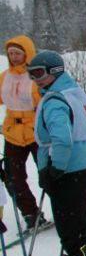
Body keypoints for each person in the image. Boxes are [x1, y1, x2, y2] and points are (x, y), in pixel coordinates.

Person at [27, 51, 86, 256]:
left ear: (55, 71)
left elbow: (62, 138)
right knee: (85, 227)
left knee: (73, 237)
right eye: (31, 74)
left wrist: (55, 169)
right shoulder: (74, 92)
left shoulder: (54, 100)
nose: (35, 79)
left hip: (68, 174)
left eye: (39, 73)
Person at [1, 36, 52, 232]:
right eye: (11, 53)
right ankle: (31, 214)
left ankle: (64, 211)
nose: (14, 57)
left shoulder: (36, 76)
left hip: (37, 132)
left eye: (18, 53)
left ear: (27, 54)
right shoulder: (4, 76)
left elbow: (49, 100)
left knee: (49, 174)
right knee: (12, 177)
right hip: (13, 133)